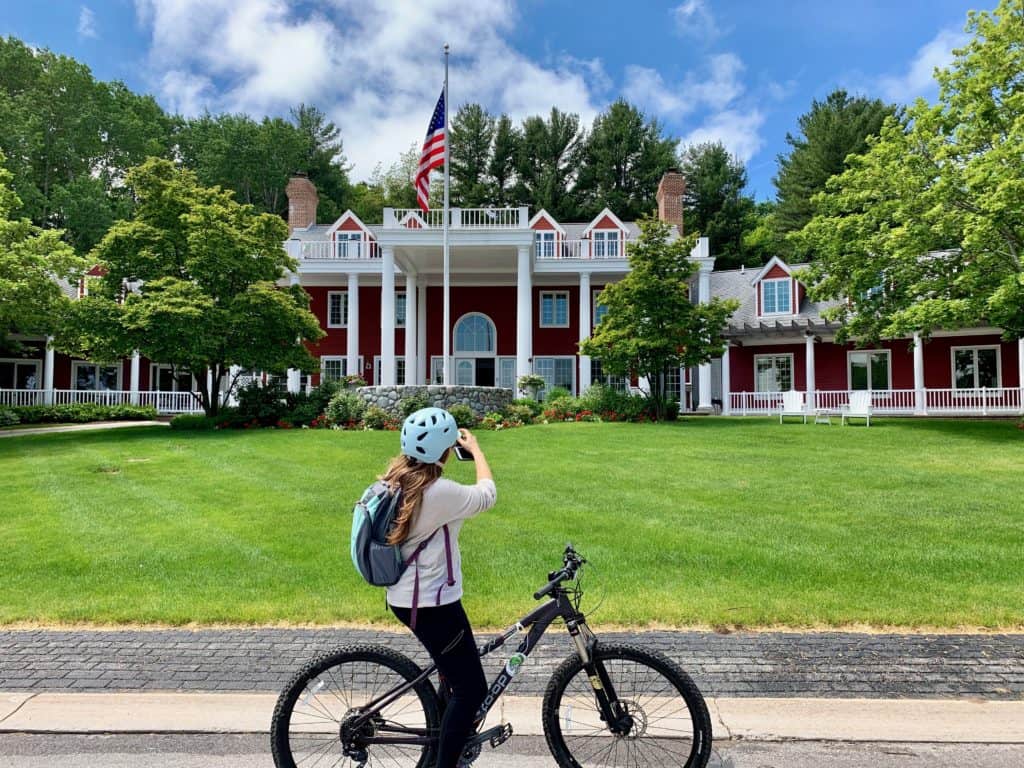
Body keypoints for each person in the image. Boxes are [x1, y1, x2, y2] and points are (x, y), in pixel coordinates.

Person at [383, 407, 496, 768]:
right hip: (431, 603)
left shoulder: (396, 479)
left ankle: (446, 746)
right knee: (472, 689)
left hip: (411, 596)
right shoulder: (440, 492)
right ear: (446, 451)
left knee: (455, 673)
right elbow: (487, 495)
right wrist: (477, 451)